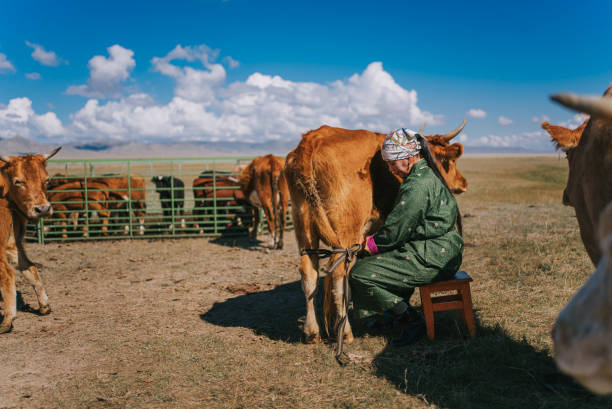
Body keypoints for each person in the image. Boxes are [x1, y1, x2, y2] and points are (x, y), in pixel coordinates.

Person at [350, 128, 464, 345]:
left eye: (392, 162)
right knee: (370, 262)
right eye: (388, 164)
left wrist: (367, 243)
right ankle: (387, 314)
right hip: (439, 249)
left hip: (434, 255)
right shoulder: (422, 175)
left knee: (359, 274)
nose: (391, 169)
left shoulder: (416, 185)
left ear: (409, 156)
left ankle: (412, 320)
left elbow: (395, 231)